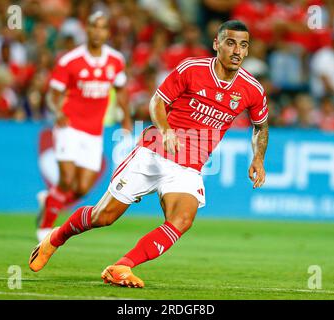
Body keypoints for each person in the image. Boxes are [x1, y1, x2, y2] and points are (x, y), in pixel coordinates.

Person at [29, 20, 269, 288]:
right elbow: (158, 101)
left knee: (182, 220)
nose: (237, 50)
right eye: (230, 42)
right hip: (153, 154)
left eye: (243, 45)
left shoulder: (252, 89)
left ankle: (121, 266)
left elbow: (261, 126)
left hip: (188, 166)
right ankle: (56, 237)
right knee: (103, 217)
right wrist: (165, 130)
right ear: (216, 44)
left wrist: (258, 157)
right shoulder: (192, 69)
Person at [35, 11, 132, 241]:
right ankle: (45, 228)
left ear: (108, 32)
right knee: (66, 179)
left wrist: (126, 118)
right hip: (69, 125)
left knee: (82, 189)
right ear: (86, 29)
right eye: (93, 26)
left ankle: (49, 201)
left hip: (93, 131)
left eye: (102, 27)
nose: (97, 32)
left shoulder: (116, 60)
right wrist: (57, 111)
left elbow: (121, 90)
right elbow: (52, 95)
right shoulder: (70, 60)